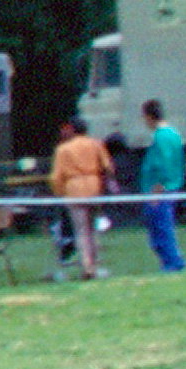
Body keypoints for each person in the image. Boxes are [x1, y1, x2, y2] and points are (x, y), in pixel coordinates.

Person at [48, 116, 111, 279]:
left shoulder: (63, 149)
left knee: (81, 230)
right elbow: (108, 167)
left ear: (73, 130)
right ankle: (95, 264)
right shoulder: (96, 144)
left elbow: (56, 176)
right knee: (92, 229)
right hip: (94, 186)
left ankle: (87, 266)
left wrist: (59, 191)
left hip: (74, 189)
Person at [136, 97, 186, 273]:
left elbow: (163, 164)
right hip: (172, 186)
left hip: (160, 190)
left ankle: (172, 262)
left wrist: (157, 189)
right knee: (164, 226)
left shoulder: (160, 136)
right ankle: (172, 261)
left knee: (160, 228)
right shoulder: (174, 134)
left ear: (150, 117)